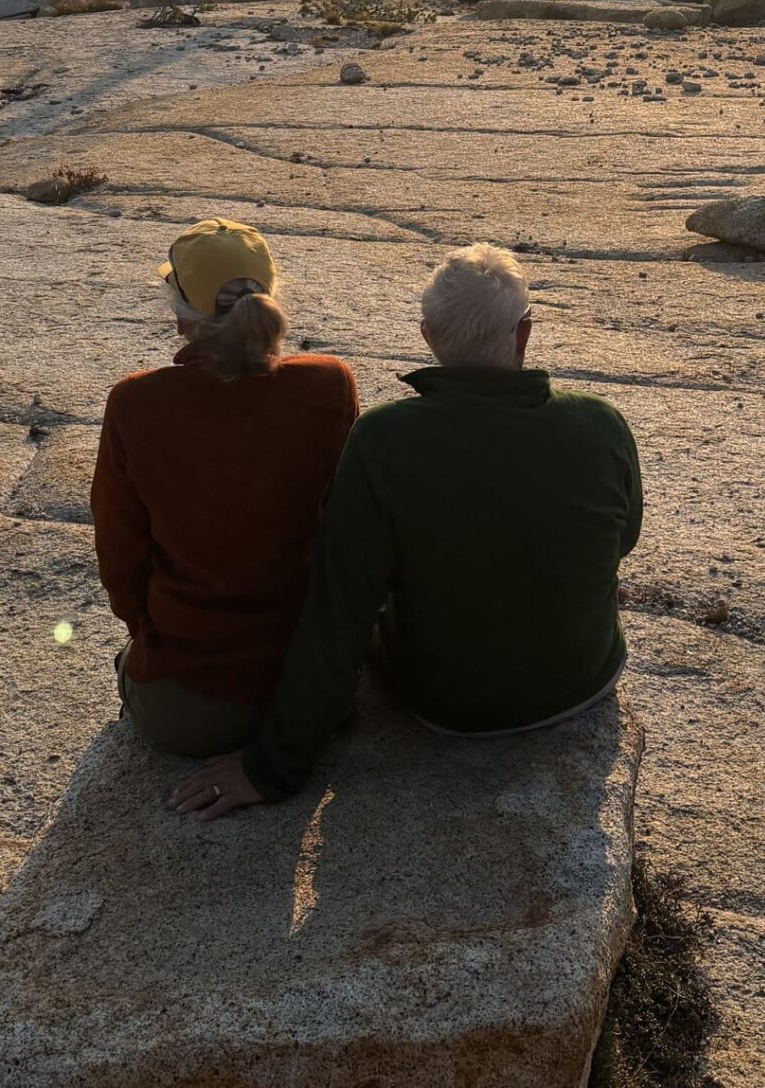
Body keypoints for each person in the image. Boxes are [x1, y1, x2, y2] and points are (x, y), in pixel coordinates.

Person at [167, 241, 641, 819]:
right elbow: (623, 540)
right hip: (585, 680)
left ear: (427, 335)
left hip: (448, 705)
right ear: (524, 333)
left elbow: (340, 611)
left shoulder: (384, 439)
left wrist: (271, 765)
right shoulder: (600, 423)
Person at [89, 217, 358, 758]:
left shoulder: (136, 404)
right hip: (313, 689)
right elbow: (349, 528)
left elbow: (121, 562)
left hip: (188, 711)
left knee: (126, 666)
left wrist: (148, 640)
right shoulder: (329, 383)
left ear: (181, 317)